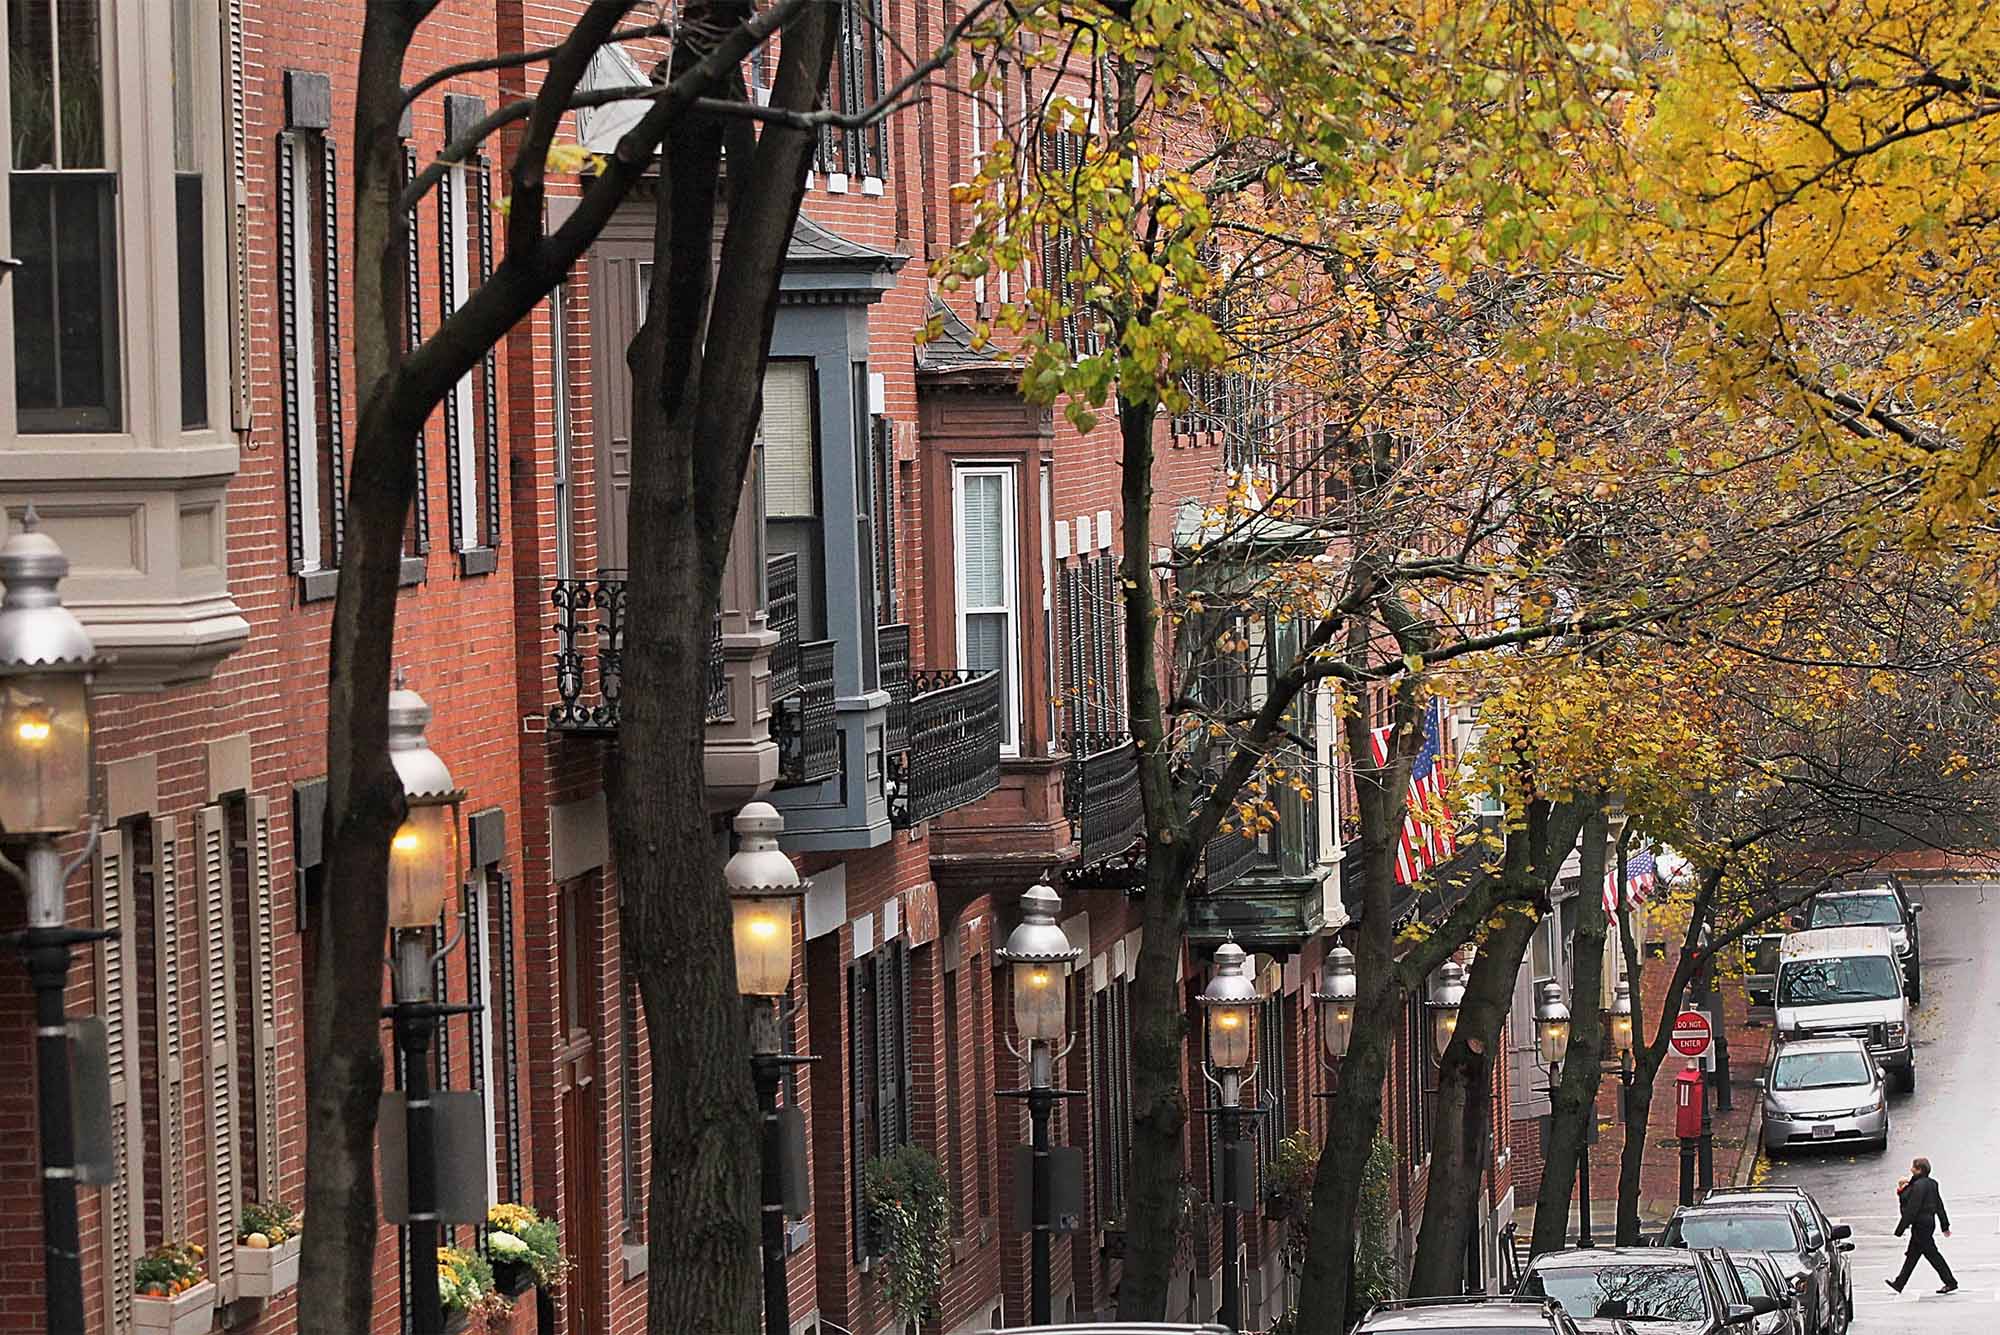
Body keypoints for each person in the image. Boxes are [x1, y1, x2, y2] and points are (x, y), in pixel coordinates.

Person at [1889, 1157, 1958, 1294]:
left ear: (1919, 1169)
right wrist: (1944, 1225)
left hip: (1921, 1225)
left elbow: (1912, 1208)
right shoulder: (1932, 1184)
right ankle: (1899, 1283)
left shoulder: (1918, 1186)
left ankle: (1950, 1282)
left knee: (1932, 1255)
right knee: (1913, 1256)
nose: (1911, 1169)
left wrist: (1900, 1229)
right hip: (1928, 1223)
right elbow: (1939, 1205)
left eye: (1913, 1167)